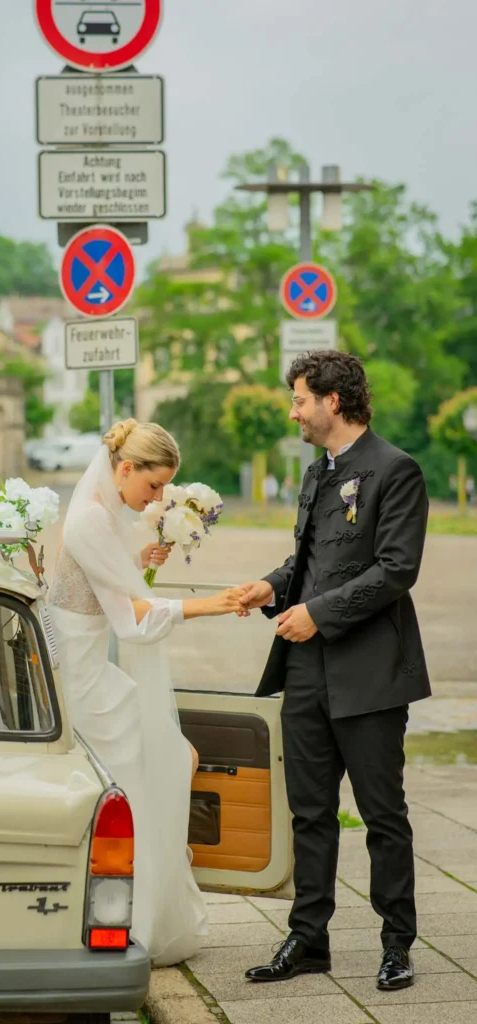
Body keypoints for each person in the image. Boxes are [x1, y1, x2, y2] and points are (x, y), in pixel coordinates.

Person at [239, 351, 430, 992]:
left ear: (333, 402)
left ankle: (397, 943)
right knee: (309, 813)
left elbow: (396, 568)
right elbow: (309, 561)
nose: (293, 411)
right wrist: (268, 587)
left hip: (372, 672)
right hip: (306, 672)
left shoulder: (396, 470)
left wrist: (317, 614)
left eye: (299, 399)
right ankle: (308, 939)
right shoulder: (315, 473)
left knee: (383, 815)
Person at [48, 419, 245, 966]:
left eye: (164, 489)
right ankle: (134, 910)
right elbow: (132, 619)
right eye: (153, 486)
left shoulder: (99, 511)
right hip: (85, 682)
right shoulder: (91, 517)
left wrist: (138, 561)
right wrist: (213, 604)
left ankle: (146, 895)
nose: (157, 499)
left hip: (90, 669)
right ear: (125, 468)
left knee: (173, 759)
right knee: (160, 766)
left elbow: (91, 580)